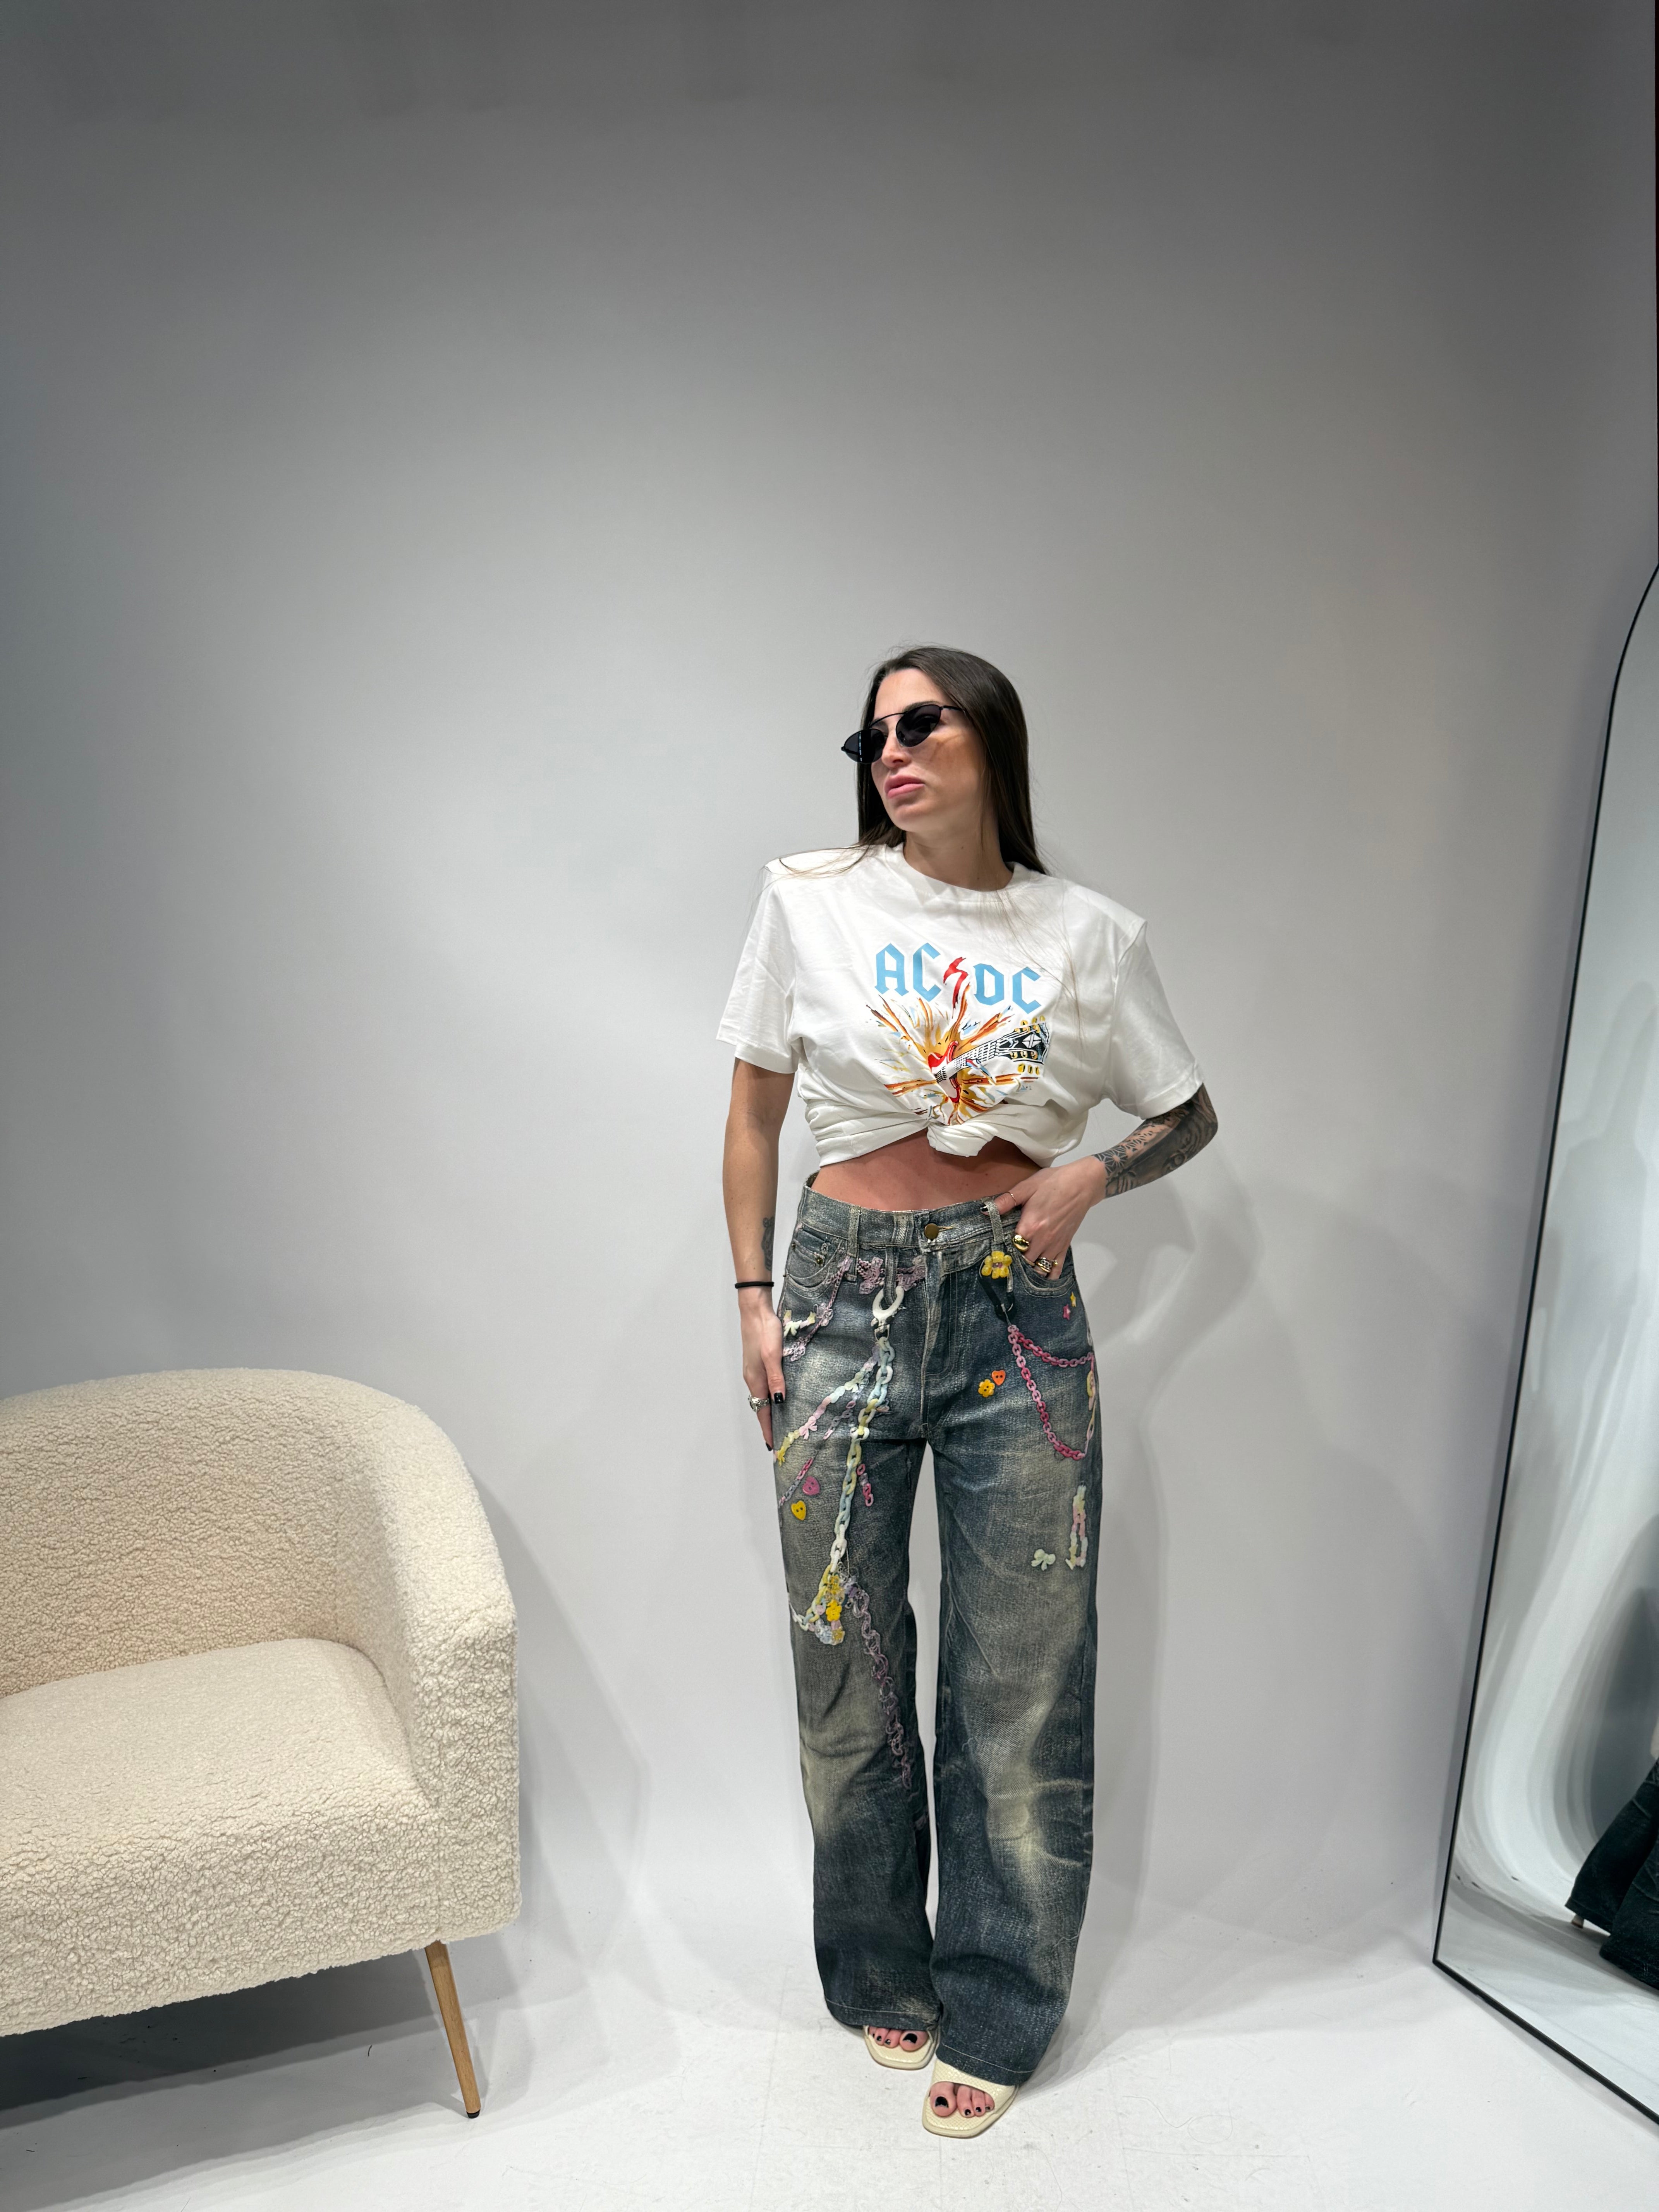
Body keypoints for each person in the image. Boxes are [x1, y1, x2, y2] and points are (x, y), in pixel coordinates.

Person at [718, 646, 1216, 2138]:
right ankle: (880, 1964)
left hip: (1016, 1310)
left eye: (920, 723)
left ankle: (999, 2002)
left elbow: (1186, 1112)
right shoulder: (810, 896)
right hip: (836, 1298)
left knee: (1019, 1680)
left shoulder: (1088, 933)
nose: (889, 750)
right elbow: (751, 1114)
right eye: (870, 734)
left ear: (990, 739)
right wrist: (751, 1297)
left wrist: (1090, 1173)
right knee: (846, 1665)